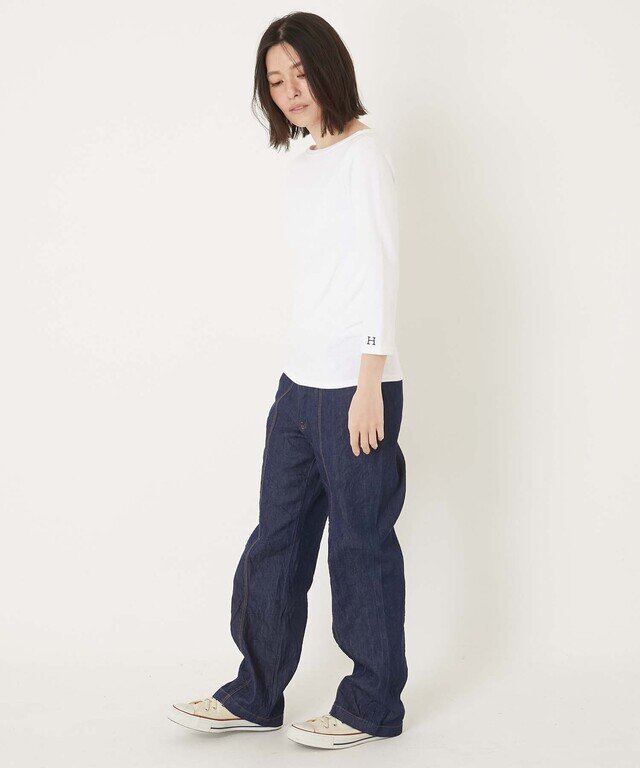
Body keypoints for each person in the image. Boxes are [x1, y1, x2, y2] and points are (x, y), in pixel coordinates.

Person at [168, 11, 408, 750]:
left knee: (360, 546)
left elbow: (378, 270)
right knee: (277, 539)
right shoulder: (302, 163)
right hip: (298, 385)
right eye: (276, 81)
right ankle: (255, 692)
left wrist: (369, 382)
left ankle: (372, 706)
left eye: (300, 72)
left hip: (354, 387)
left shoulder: (364, 156)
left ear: (329, 67)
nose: (291, 90)